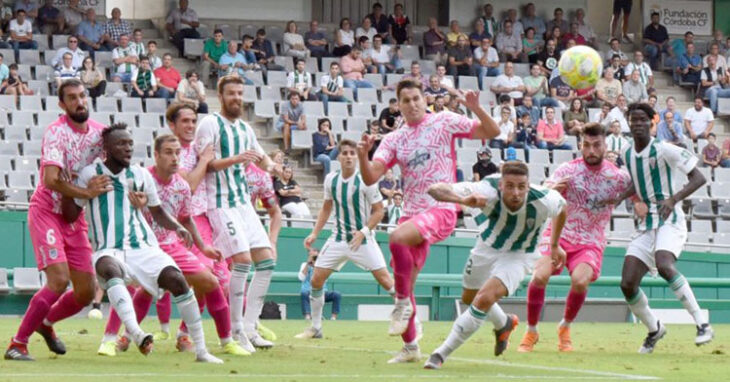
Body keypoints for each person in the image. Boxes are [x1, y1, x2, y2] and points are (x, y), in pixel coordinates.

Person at [356, 80, 499, 363]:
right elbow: (371, 176)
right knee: (405, 281)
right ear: (398, 105)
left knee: (396, 237)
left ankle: (400, 305)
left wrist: (476, 109)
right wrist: (363, 155)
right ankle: (410, 347)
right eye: (406, 100)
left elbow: (492, 131)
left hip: (442, 206)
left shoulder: (443, 121)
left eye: (416, 98)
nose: (412, 104)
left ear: (424, 99)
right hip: (412, 212)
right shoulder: (395, 139)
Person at [61, 124, 222, 364]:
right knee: (108, 269)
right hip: (109, 248)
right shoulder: (89, 174)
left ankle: (201, 351)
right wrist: (73, 191)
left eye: (129, 144)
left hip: (144, 247)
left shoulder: (140, 175)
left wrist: (177, 226)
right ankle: (135, 333)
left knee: (177, 281)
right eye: (120, 144)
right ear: (106, 148)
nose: (127, 148)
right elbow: (71, 215)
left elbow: (157, 212)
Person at [98, 133, 249, 358]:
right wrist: (138, 208)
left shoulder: (182, 186)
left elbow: (185, 218)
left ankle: (226, 340)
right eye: (169, 153)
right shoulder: (138, 178)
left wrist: (203, 246)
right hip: (139, 244)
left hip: (170, 245)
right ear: (156, 155)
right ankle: (111, 339)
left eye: (178, 153)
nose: (175, 158)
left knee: (210, 282)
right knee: (128, 287)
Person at [2, 80, 115, 361]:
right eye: (72, 98)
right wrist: (86, 191)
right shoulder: (56, 133)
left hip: (75, 217)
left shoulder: (100, 134)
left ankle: (46, 322)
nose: (79, 102)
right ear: (62, 105)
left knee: (86, 291)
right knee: (58, 279)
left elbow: (115, 163)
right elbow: (51, 180)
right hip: (46, 212)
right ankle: (18, 343)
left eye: (82, 96)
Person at [423, 162, 567, 369]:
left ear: (528, 185)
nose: (516, 192)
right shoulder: (486, 189)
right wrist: (462, 200)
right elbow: (434, 190)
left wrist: (554, 244)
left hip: (520, 255)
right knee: (469, 297)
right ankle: (503, 323)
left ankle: (440, 354)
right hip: (486, 247)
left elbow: (563, 209)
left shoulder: (544, 199)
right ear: (500, 185)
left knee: (484, 298)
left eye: (521, 186)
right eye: (509, 186)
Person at [518, 123, 633, 353]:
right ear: (581, 145)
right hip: (559, 234)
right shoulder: (567, 169)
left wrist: (637, 203)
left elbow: (637, 188)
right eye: (586, 145)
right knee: (539, 277)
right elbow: (543, 192)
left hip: (591, 239)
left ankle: (565, 327)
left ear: (605, 145)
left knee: (580, 281)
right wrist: (553, 190)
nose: (591, 150)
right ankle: (531, 330)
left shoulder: (617, 177)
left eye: (596, 145)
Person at [612, 102, 713, 353]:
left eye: (642, 120)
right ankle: (655, 329)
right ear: (628, 123)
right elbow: (639, 182)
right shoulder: (626, 153)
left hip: (670, 218)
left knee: (665, 264)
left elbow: (699, 178)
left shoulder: (665, 149)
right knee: (627, 284)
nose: (637, 124)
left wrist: (673, 199)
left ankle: (702, 323)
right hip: (646, 225)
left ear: (651, 122)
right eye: (633, 120)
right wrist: (618, 197)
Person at [194, 75, 281, 351]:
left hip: (244, 204)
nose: (237, 99)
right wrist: (235, 159)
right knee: (242, 261)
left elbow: (261, 157)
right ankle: (235, 331)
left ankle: (251, 327)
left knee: (266, 262)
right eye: (232, 93)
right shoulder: (209, 123)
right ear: (221, 96)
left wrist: (275, 168)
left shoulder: (245, 128)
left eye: (240, 94)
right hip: (219, 203)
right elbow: (205, 164)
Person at [297, 139, 396, 339]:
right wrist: (315, 233)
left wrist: (364, 232)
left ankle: (411, 320)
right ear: (339, 157)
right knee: (316, 279)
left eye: (353, 153)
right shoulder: (330, 180)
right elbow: (326, 207)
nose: (349, 156)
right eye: (345, 153)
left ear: (356, 158)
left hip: (363, 241)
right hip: (338, 239)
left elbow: (379, 211)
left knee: (387, 281)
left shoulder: (366, 182)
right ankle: (316, 328)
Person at [298, 249, 341, 321]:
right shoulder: (304, 265)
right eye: (312, 257)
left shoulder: (323, 266)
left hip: (322, 291)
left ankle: (333, 317)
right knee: (304, 293)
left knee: (336, 294)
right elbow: (301, 278)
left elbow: (324, 279)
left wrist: (316, 266)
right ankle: (308, 316)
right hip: (308, 291)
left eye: (316, 257)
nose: (314, 259)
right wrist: (308, 264)